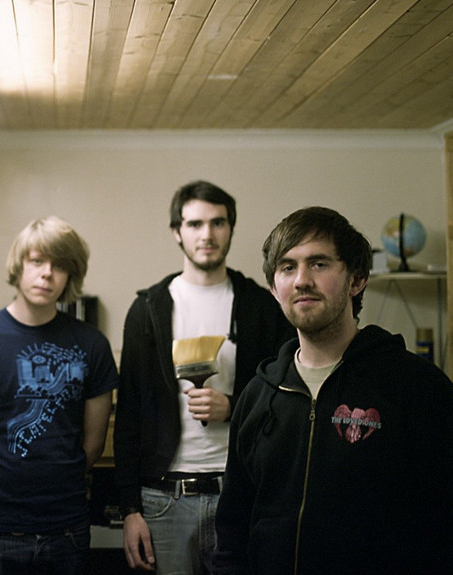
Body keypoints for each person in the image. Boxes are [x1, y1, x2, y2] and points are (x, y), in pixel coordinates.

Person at [213, 206, 453, 574]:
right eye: (287, 267)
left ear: (357, 280)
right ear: (274, 289)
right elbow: (232, 528)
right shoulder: (258, 396)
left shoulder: (418, 388)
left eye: (319, 264)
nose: (302, 280)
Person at [113, 180, 294, 574]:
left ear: (231, 228)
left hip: (240, 495)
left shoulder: (262, 306)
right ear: (177, 232)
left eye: (218, 222)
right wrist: (129, 510)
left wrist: (233, 407)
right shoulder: (148, 310)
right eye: (195, 224)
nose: (207, 234)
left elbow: (287, 398)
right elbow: (128, 414)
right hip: (163, 499)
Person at [0, 216, 119, 575]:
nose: (47, 273)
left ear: (70, 275)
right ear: (19, 265)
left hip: (66, 529)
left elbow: (94, 444)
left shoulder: (92, 345)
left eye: (59, 265)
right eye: (37, 261)